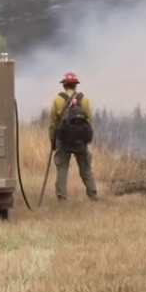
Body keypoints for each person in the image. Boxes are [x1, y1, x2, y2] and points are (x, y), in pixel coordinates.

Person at [48, 71, 98, 201]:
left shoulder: (57, 100)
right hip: (80, 140)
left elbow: (53, 122)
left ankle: (62, 196)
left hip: (63, 139)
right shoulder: (84, 99)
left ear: (64, 85)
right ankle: (92, 194)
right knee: (85, 167)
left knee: (62, 168)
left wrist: (52, 139)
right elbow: (89, 118)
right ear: (76, 85)